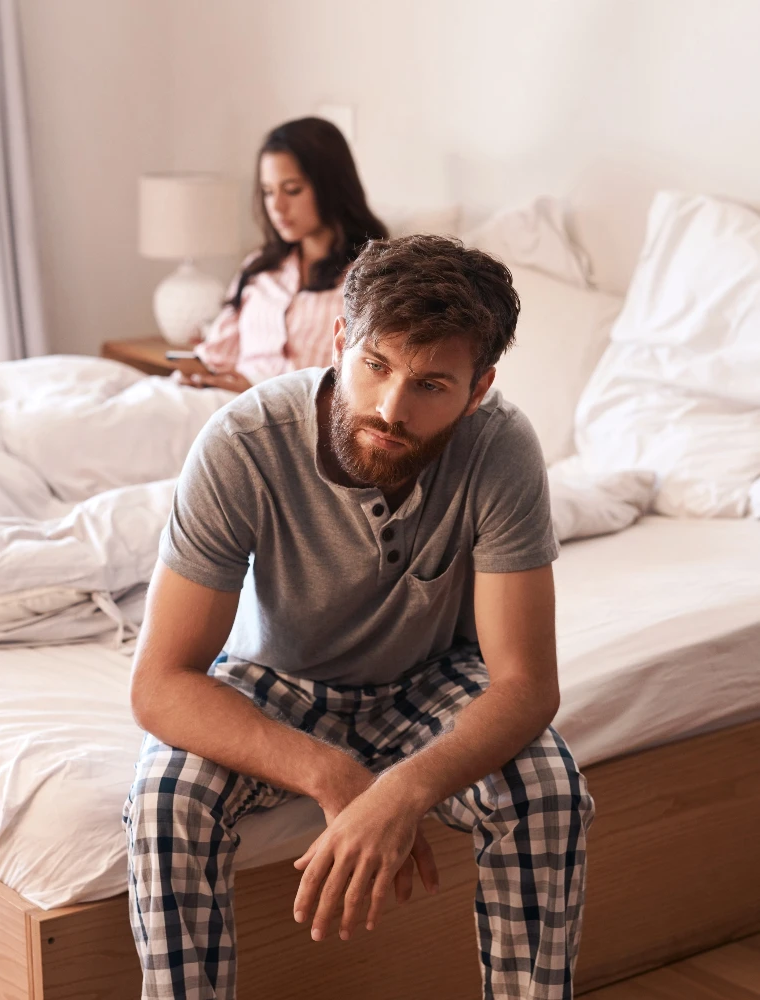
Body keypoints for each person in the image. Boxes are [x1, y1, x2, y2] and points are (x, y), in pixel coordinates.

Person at [124, 234, 595, 1000]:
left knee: (548, 794)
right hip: (272, 679)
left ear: (478, 390)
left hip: (429, 679)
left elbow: (526, 685)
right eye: (376, 365)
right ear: (340, 341)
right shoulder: (242, 445)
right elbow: (160, 686)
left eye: (432, 385)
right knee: (163, 801)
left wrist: (402, 792)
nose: (391, 408)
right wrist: (335, 776)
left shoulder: (501, 448)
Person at [173, 116, 387, 393]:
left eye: (292, 190)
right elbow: (215, 355)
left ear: (331, 187)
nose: (277, 206)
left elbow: (361, 386)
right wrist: (196, 373)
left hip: (272, 410)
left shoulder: (371, 278)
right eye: (268, 192)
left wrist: (252, 389)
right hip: (216, 399)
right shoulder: (259, 267)